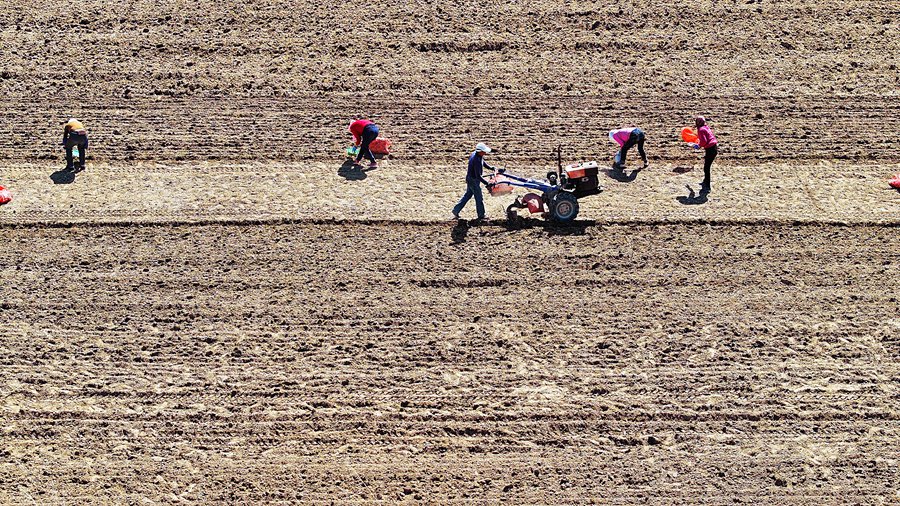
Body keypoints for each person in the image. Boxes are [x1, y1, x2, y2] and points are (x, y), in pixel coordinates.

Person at [452, 143, 496, 221]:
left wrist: (490, 168)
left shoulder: (476, 155)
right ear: (480, 151)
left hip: (470, 178)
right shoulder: (476, 160)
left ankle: (456, 210)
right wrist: (487, 184)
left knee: (468, 195)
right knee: (479, 198)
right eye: (484, 151)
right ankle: (481, 215)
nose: (485, 153)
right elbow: (478, 176)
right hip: (473, 180)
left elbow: (483, 163)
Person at [692, 116, 718, 191]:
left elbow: (704, 141)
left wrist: (698, 146)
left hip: (710, 150)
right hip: (713, 148)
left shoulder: (701, 129)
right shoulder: (705, 127)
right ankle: (705, 181)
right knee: (707, 166)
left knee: (706, 167)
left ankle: (707, 185)